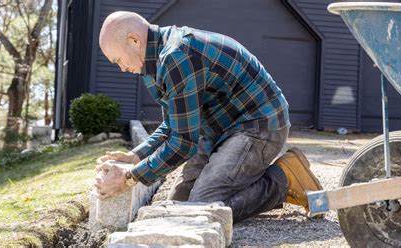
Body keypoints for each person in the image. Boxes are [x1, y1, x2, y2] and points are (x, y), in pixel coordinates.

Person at [95, 11, 323, 222]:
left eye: (117, 60)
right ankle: (248, 180)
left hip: (259, 126)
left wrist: (129, 178)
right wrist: (135, 156)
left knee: (201, 209)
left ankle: (283, 179)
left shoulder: (177, 56)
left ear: (134, 40)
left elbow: (184, 143)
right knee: (178, 204)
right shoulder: (153, 64)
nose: (122, 69)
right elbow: (171, 125)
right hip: (221, 130)